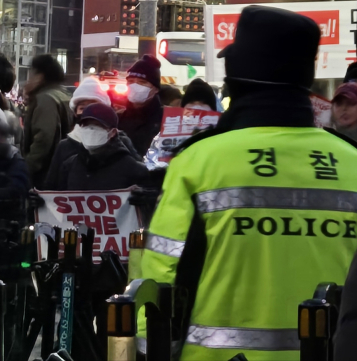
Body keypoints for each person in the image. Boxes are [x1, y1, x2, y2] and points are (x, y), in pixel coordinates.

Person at [138, 6, 357, 361]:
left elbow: (164, 277)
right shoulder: (351, 161)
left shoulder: (199, 161)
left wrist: (150, 352)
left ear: (237, 76)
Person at [44, 77, 140, 190]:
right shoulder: (65, 147)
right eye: (82, 108)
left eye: (95, 106)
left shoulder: (122, 143)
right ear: (75, 113)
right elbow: (53, 186)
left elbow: (139, 177)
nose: (88, 112)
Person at [49, 103, 149, 191]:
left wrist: (145, 198)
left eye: (98, 125)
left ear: (112, 132)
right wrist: (41, 203)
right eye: (86, 125)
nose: (91, 130)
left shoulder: (132, 168)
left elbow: (150, 202)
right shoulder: (70, 166)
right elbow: (56, 198)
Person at [22, 54, 73, 189]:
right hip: (62, 168)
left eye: (32, 73)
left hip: (45, 174)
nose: (29, 79)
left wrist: (27, 166)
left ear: (40, 76)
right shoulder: (63, 95)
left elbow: (43, 137)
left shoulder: (46, 99)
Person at [118, 55, 164, 157]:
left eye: (142, 82)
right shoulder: (118, 119)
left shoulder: (166, 119)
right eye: (130, 81)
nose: (135, 86)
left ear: (155, 89)